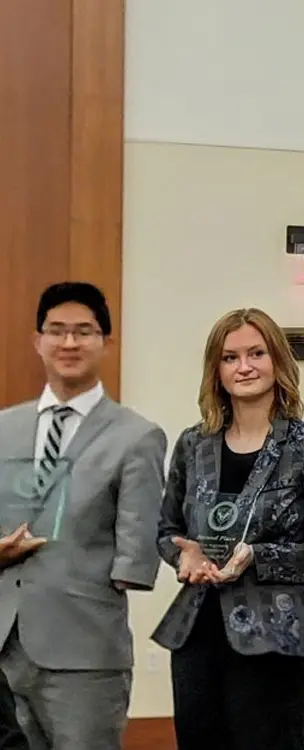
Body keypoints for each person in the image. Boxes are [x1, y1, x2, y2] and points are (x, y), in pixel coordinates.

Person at [151, 308, 304, 750]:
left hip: (276, 638)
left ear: (278, 361)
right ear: (216, 370)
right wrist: (184, 556)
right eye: (230, 357)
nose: (245, 367)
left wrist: (260, 556)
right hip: (197, 634)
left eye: (257, 353)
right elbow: (167, 527)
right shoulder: (193, 444)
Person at [0, 282, 167, 750]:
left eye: (83, 331)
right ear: (38, 340)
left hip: (85, 650)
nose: (69, 343)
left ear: (105, 343)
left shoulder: (136, 436)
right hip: (4, 642)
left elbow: (137, 553)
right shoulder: (4, 427)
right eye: (56, 331)